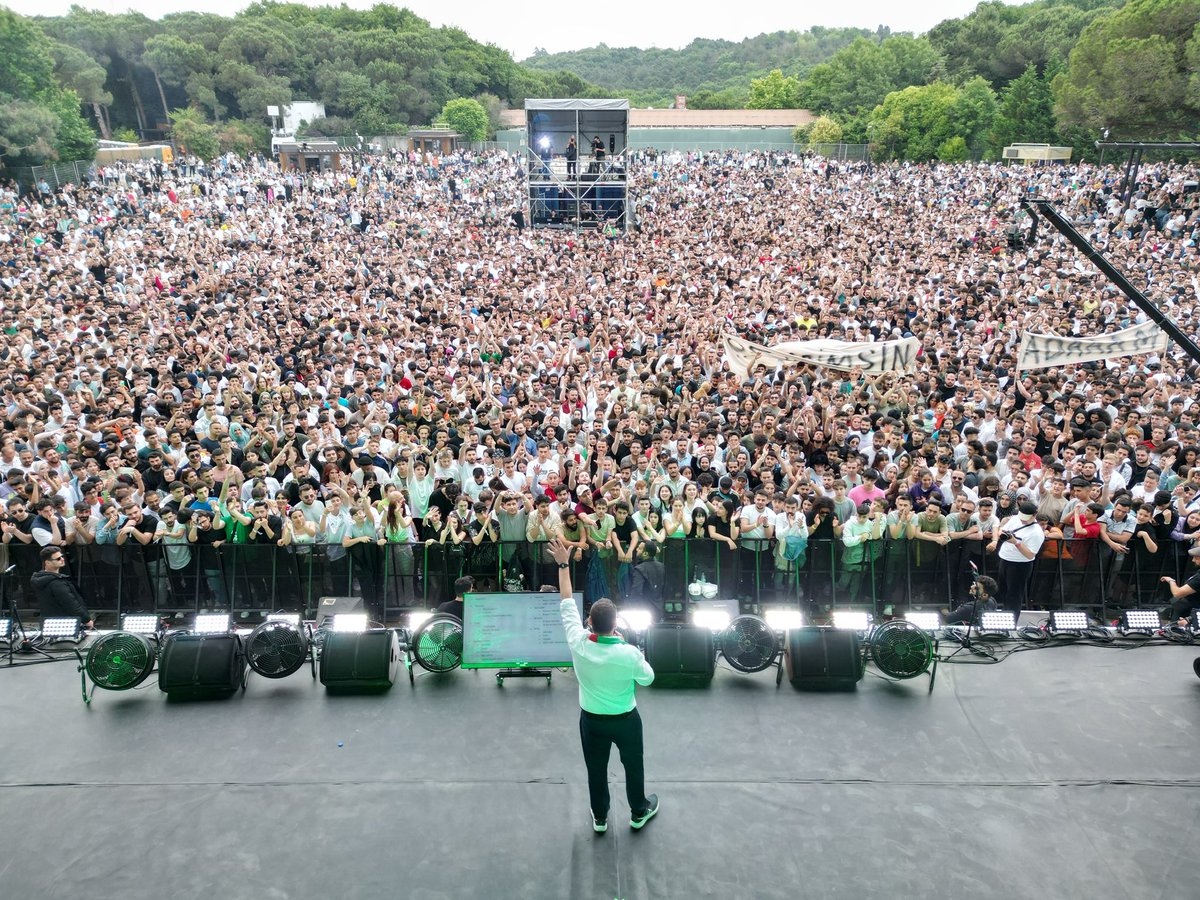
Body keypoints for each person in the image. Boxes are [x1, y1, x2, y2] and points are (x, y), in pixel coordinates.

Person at [548, 538, 658, 835]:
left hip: (591, 720)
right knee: (633, 766)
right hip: (626, 720)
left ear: (589, 622)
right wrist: (634, 650)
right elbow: (648, 678)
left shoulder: (578, 642)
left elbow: (566, 601)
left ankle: (599, 817)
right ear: (615, 625)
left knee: (595, 771)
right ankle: (638, 811)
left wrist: (562, 564)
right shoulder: (628, 653)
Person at [988, 501, 1044, 620]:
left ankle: (1012, 621)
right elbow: (1001, 529)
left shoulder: (1037, 532)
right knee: (1003, 591)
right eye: (1021, 517)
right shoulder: (1015, 519)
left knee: (1014, 595)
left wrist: (1016, 542)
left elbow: (1030, 555)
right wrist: (1001, 534)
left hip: (1020, 565)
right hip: (1004, 559)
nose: (1023, 520)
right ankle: (1004, 615)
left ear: (1034, 516)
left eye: (1026, 519)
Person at [30, 546, 93, 627]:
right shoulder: (57, 583)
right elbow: (71, 603)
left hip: (48, 624)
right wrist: (86, 620)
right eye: (58, 558)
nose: (62, 559)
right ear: (47, 562)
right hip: (66, 624)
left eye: (62, 556)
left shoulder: (39, 579)